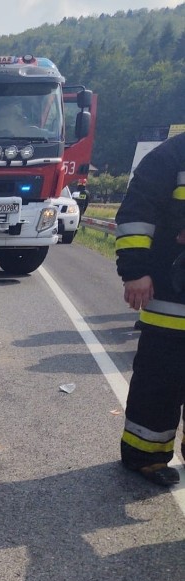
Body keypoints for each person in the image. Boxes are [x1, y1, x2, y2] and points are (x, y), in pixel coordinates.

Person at [115, 132, 185, 486]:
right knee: (160, 384)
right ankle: (146, 457)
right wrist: (135, 271)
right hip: (172, 301)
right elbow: (135, 216)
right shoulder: (169, 157)